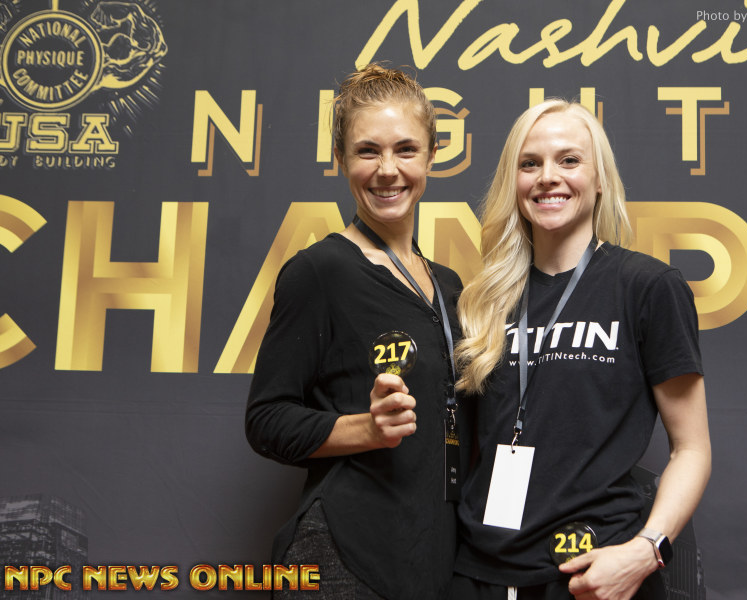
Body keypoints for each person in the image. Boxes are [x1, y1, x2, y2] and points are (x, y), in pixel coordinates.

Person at [451, 100, 711, 600]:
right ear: (514, 182)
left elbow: (692, 449)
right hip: (479, 573)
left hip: (593, 574)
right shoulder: (483, 302)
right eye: (530, 163)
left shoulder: (648, 287)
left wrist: (645, 551)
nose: (548, 177)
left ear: (599, 180)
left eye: (569, 160)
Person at [245, 64, 463, 599]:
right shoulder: (319, 271)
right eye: (368, 151)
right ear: (340, 159)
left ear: (432, 156)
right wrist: (366, 429)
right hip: (344, 557)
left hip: (433, 559)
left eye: (406, 150)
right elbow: (265, 420)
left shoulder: (449, 285)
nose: (388, 170)